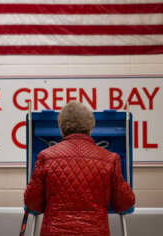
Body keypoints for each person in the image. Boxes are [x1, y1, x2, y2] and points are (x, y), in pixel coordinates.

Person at [24, 101, 135, 236]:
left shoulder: (45, 157)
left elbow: (32, 203)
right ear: (91, 127)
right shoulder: (110, 159)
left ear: (61, 127)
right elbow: (125, 204)